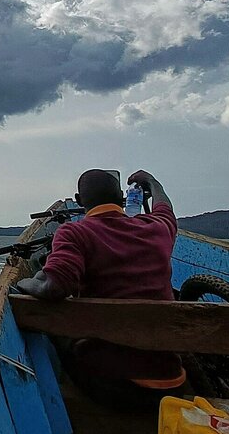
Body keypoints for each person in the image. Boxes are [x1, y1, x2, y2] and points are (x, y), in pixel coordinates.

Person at [15, 168, 185, 406]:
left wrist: (21, 284)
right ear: (122, 198)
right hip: (172, 384)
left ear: (79, 199)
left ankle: (53, 402)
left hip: (113, 387)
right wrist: (152, 182)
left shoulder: (74, 232)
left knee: (52, 327)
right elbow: (164, 207)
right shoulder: (158, 228)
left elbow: (54, 287)